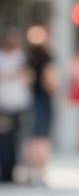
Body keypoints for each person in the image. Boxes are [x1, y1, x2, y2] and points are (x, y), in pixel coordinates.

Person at [24, 25, 57, 186]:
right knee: (42, 137)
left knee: (30, 137)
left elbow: (25, 80)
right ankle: (41, 173)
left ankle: (31, 172)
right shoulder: (47, 58)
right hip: (42, 100)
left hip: (27, 101)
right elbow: (51, 82)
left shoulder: (25, 57)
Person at [0, 27, 32, 183]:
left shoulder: (22, 58)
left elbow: (28, 78)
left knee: (17, 139)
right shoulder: (2, 57)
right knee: (3, 140)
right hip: (3, 105)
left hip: (19, 104)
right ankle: (5, 171)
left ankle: (13, 170)